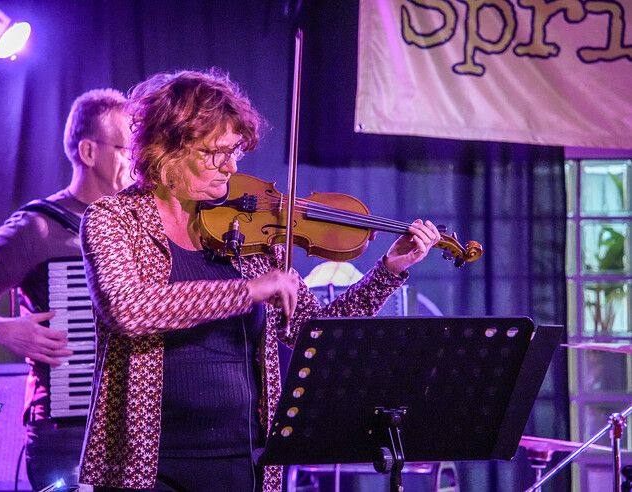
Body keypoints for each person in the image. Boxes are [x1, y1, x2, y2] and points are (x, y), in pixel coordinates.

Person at [78, 70, 441, 492]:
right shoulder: (112, 219)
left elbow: (312, 331)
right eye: (216, 153)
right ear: (166, 148)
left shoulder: (249, 230)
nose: (230, 167)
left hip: (244, 462)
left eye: (236, 152)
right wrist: (247, 291)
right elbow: (129, 310)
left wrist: (388, 272)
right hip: (147, 466)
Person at [0, 88, 132, 490]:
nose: (133, 163)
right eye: (123, 149)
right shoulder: (37, 228)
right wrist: (1, 329)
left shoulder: (136, 226)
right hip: (67, 434)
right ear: (90, 152)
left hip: (134, 429)